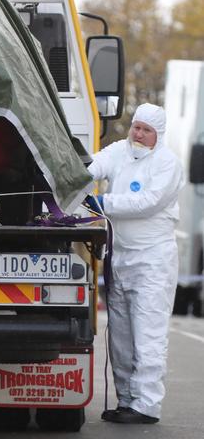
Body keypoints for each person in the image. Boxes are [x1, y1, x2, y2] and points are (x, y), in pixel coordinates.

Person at [87, 103, 184, 425]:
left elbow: (147, 202)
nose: (138, 134)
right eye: (136, 127)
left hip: (153, 261)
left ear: (159, 135)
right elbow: (93, 167)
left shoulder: (168, 164)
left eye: (146, 130)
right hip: (122, 258)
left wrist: (103, 202)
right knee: (121, 338)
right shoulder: (120, 151)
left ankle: (147, 405)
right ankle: (127, 400)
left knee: (148, 335)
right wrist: (77, 177)